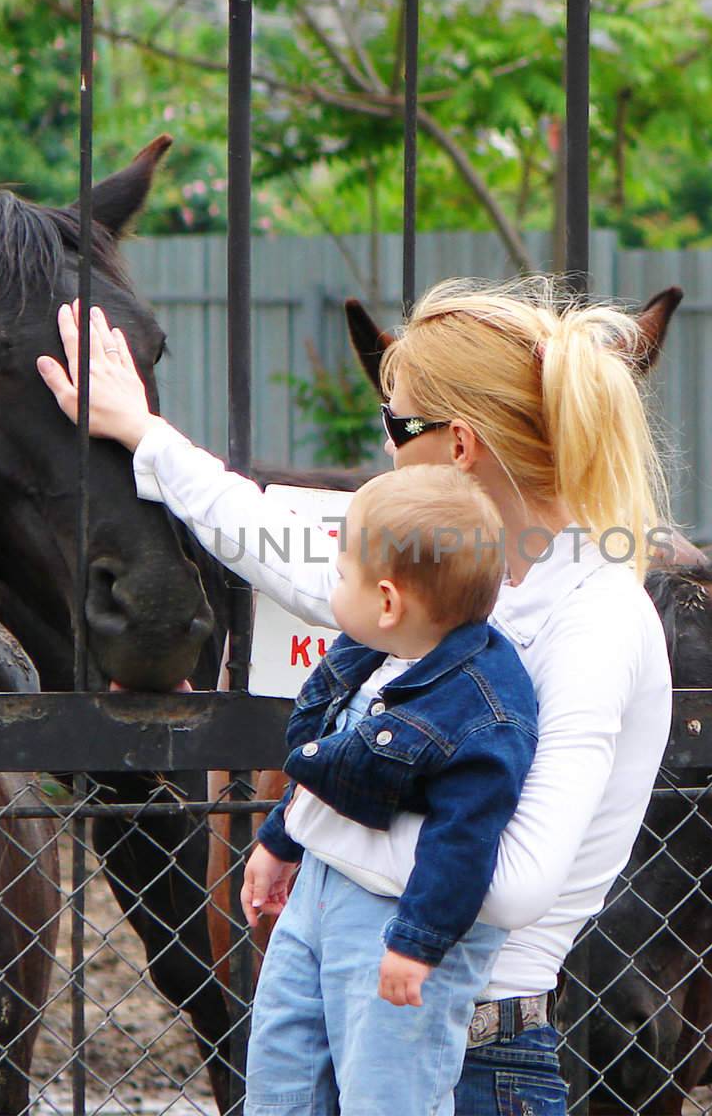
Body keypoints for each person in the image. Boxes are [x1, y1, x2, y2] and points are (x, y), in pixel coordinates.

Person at [37, 277, 674, 1115]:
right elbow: (271, 539)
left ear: (459, 445)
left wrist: (315, 827)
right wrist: (142, 432)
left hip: (464, 1056)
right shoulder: (458, 582)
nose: (384, 447)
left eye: (396, 422)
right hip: (353, 1026)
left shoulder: (593, 618)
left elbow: (516, 881)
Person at [240, 464, 537, 1114]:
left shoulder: (485, 706)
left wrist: (415, 943)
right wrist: (282, 840)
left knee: (386, 1092)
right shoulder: (369, 655)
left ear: (387, 601)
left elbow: (465, 838)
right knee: (281, 1077)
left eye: (341, 573)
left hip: (392, 919)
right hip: (316, 894)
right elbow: (340, 773)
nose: (332, 586)